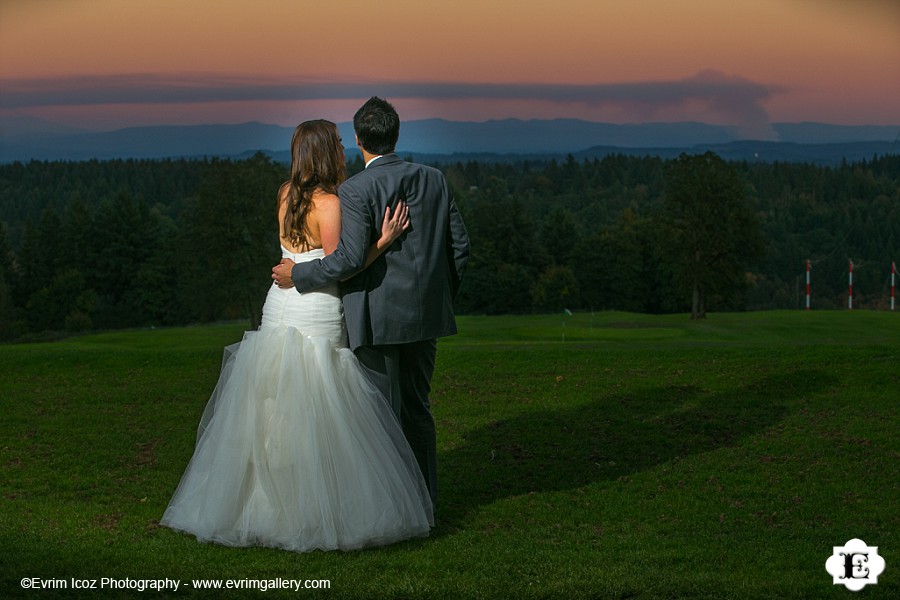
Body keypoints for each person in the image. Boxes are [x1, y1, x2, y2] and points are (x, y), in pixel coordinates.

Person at [161, 119, 433, 552]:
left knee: (273, 404)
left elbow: (295, 253)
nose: (345, 148)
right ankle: (316, 506)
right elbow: (340, 265)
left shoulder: (284, 194)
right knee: (321, 396)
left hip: (279, 302)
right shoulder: (330, 203)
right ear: (326, 151)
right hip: (314, 306)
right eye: (339, 143)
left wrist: (295, 271)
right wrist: (384, 240)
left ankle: (266, 500)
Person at [272, 97, 470, 505]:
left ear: (359, 139)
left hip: (374, 317)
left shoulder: (354, 190)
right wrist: (439, 296)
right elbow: (460, 247)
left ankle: (391, 505)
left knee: (379, 415)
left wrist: (299, 276)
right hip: (426, 319)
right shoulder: (435, 179)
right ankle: (425, 503)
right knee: (418, 409)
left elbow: (345, 260)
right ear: (396, 134)